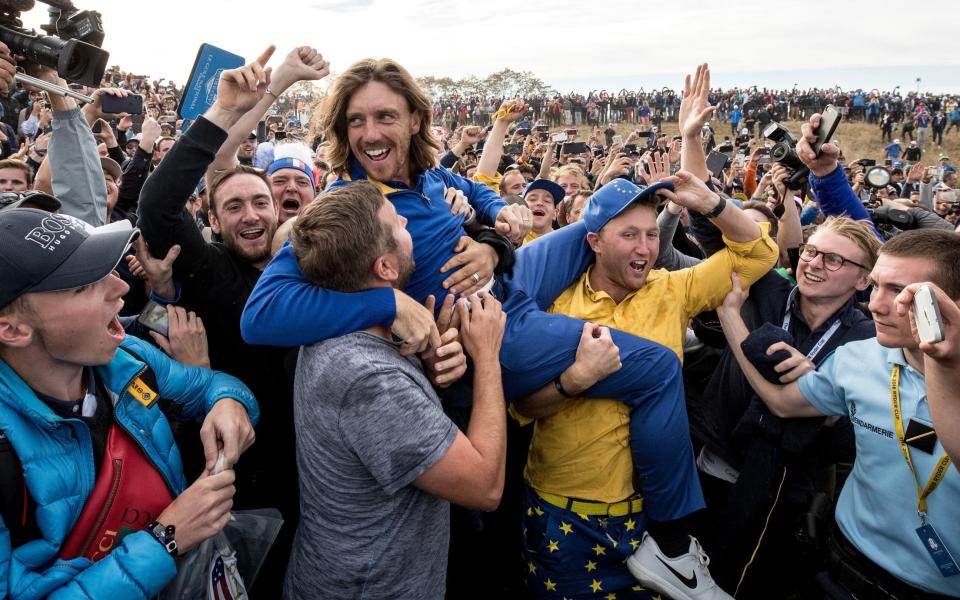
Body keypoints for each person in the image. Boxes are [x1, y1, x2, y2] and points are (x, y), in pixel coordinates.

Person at [0, 208, 259, 599]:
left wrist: (228, 403)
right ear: (13, 329)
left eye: (108, 269)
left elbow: (214, 385)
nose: (120, 287)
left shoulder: (127, 357)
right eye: (84, 284)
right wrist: (166, 541)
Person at [284, 181, 506, 599]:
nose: (406, 219)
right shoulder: (369, 380)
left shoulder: (340, 328)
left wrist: (428, 370)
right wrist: (488, 357)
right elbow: (485, 487)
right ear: (385, 268)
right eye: (396, 222)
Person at [715, 228, 960, 598]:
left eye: (899, 292)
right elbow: (782, 403)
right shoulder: (857, 358)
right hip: (840, 565)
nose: (876, 304)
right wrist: (730, 317)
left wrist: (943, 364)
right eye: (876, 286)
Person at [522, 178, 564, 244]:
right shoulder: (510, 240)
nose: (540, 203)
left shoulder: (564, 243)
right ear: (521, 206)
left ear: (555, 214)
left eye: (547, 201)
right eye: (532, 199)